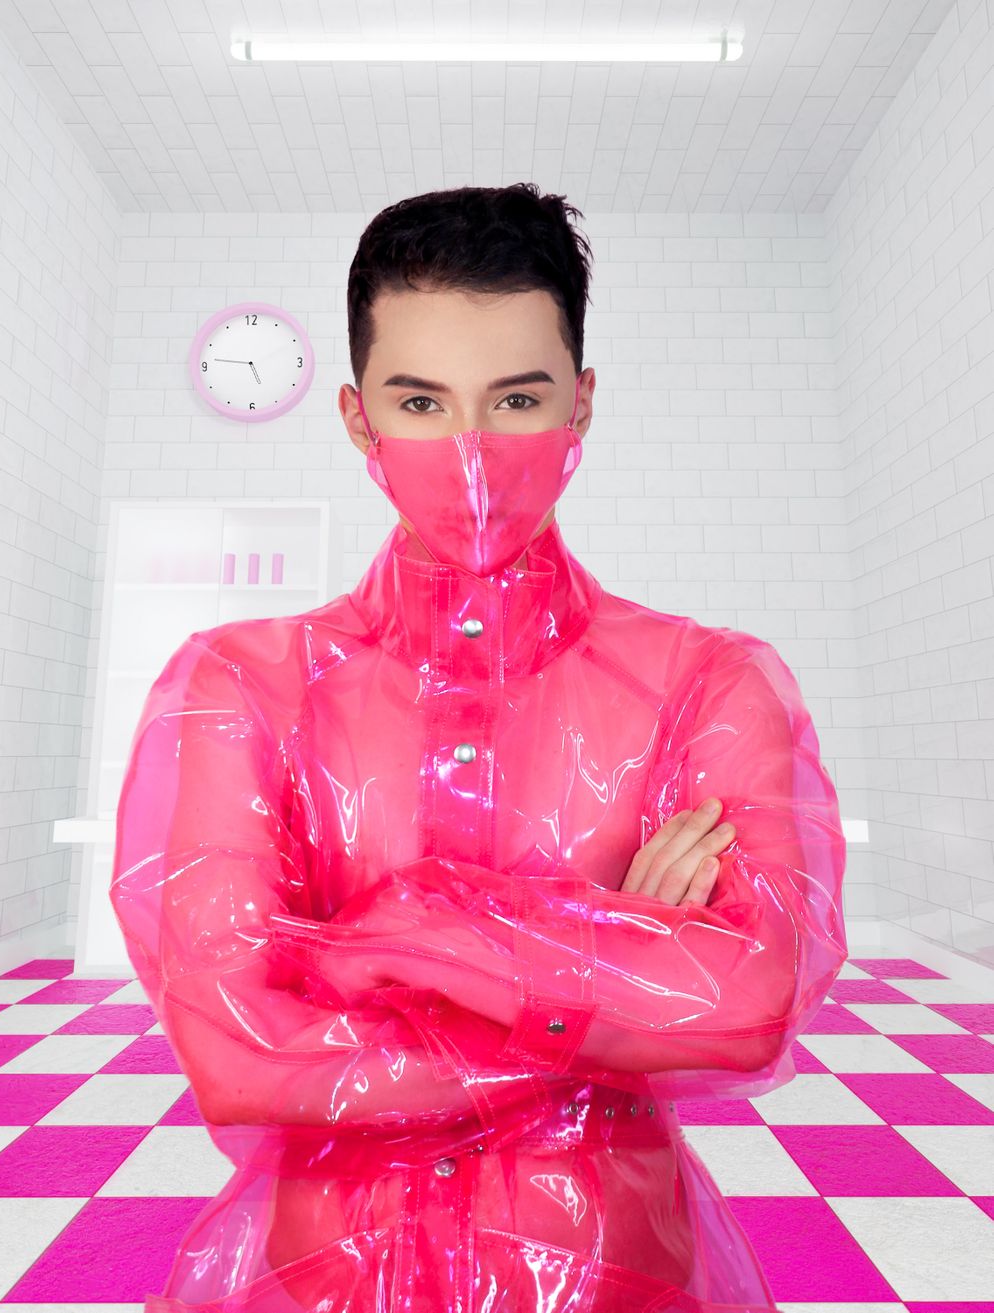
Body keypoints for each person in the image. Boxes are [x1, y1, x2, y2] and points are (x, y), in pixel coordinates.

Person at [110, 182, 849, 1312]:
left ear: (581, 403)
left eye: (516, 399)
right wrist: (610, 957)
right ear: (358, 417)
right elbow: (238, 1052)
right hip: (326, 1273)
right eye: (421, 400)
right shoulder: (246, 686)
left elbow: (747, 1005)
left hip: (609, 1270)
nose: (471, 451)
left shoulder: (705, 683)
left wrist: (400, 936)